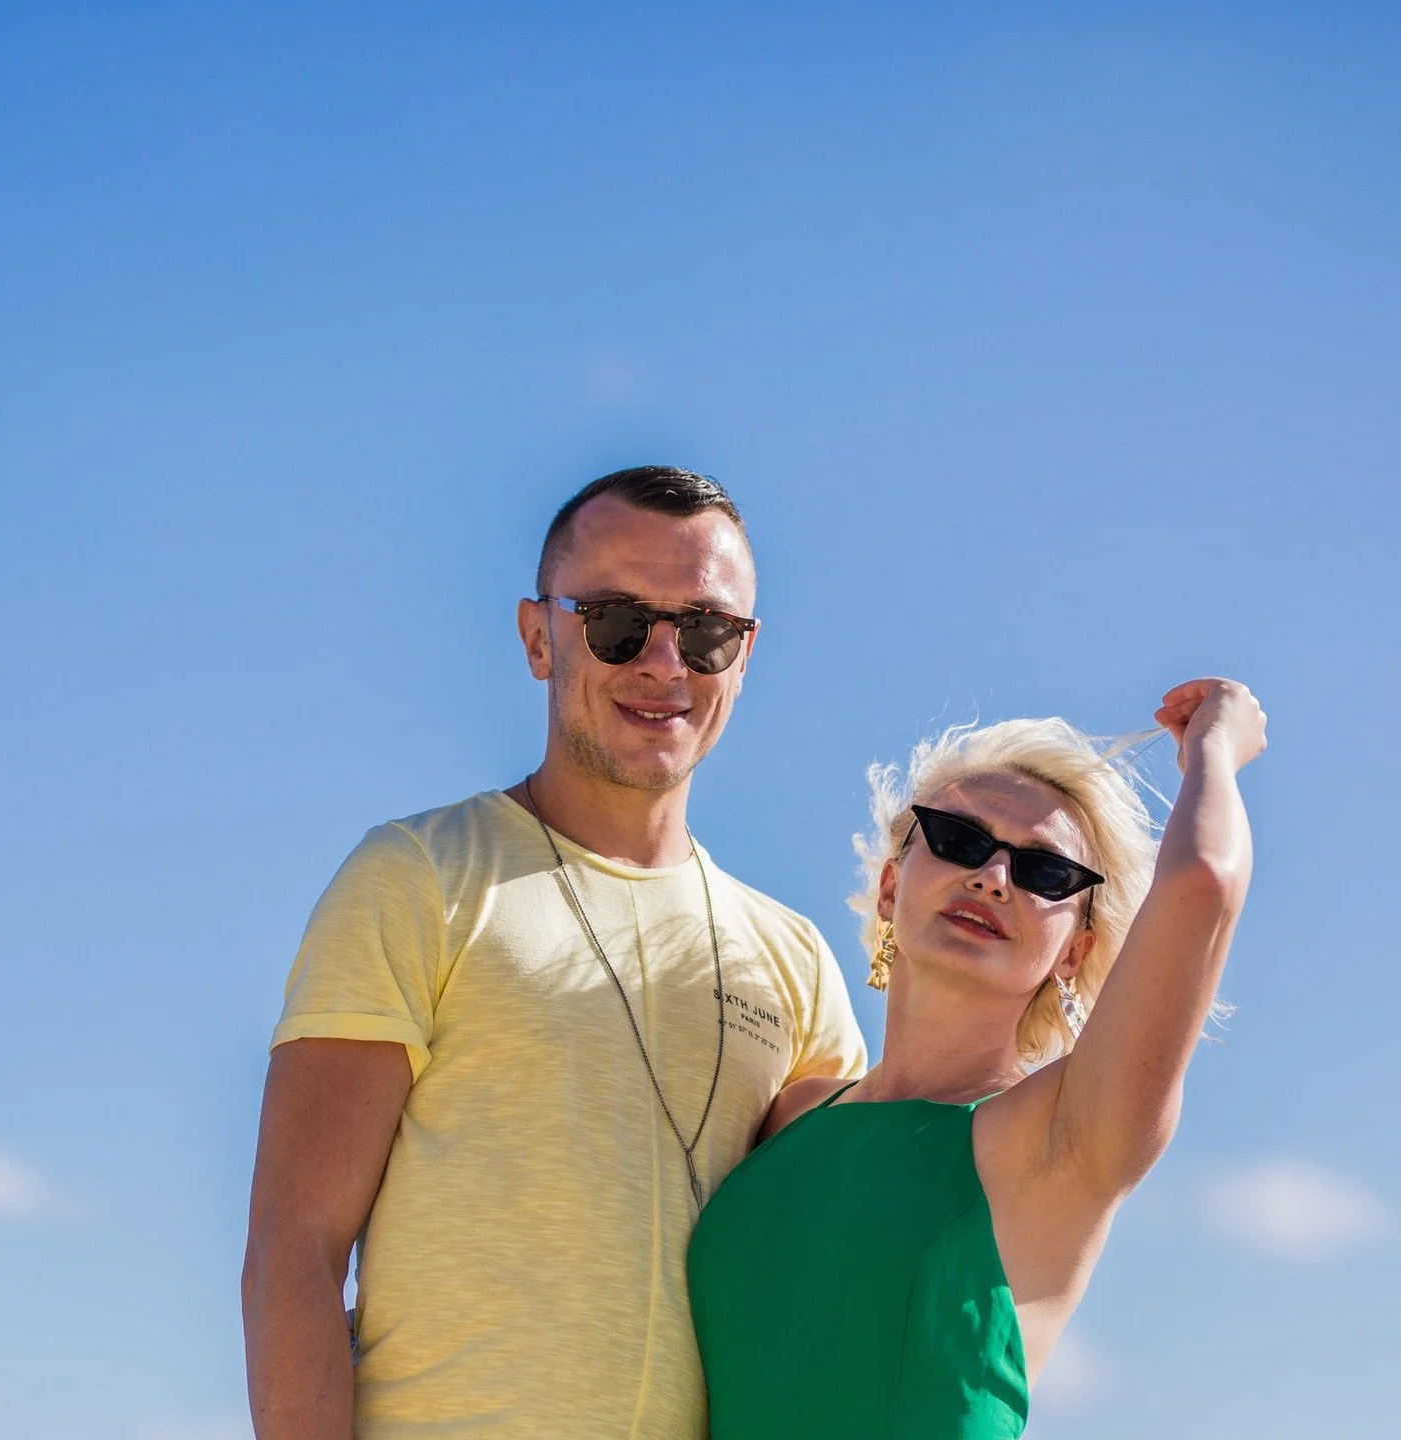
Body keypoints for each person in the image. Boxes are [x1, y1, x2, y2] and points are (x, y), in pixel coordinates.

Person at [241, 466, 866, 1440]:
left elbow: (840, 1285)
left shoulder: (798, 961)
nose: (665, 662)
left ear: (745, 658)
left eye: (706, 632)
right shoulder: (419, 877)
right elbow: (297, 1247)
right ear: (540, 637)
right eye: (617, 621)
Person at [688, 678, 1266, 1439]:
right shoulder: (793, 1112)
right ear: (891, 887)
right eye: (960, 839)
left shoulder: (1064, 1137)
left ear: (1077, 951)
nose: (993, 875)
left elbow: (1201, 883)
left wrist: (1217, 748)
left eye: (1045, 873)